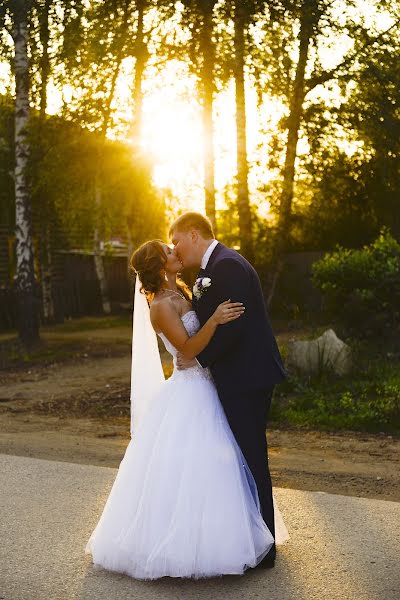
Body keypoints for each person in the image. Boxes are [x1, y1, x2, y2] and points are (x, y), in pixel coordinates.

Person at [84, 237, 289, 581]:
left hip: (209, 385)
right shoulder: (160, 306)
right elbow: (189, 349)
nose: (175, 252)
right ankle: (186, 547)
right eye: (168, 252)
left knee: (224, 462)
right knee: (194, 467)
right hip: (189, 391)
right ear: (156, 266)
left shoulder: (182, 291)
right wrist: (216, 320)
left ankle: (231, 536)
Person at [169, 212, 288, 568]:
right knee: (242, 458)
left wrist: (199, 359)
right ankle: (252, 538)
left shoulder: (227, 266)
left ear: (193, 234)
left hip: (246, 377)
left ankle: (265, 547)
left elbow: (234, 328)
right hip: (240, 375)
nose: (175, 248)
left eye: (176, 240)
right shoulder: (213, 268)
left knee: (251, 458)